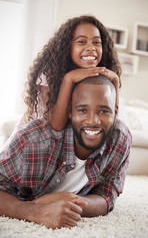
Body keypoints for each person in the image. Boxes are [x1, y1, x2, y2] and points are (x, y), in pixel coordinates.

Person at [0, 75, 132, 230]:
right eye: (82, 110)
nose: (93, 121)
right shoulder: (33, 140)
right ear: (70, 111)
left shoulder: (119, 139)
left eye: (103, 111)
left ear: (115, 113)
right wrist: (35, 211)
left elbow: (107, 196)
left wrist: (71, 201)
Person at [19, 15, 121, 131]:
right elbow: (56, 126)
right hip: (34, 137)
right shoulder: (50, 73)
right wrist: (69, 79)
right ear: (68, 46)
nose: (91, 47)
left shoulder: (100, 76)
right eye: (82, 42)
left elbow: (111, 122)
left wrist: (115, 81)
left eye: (96, 42)